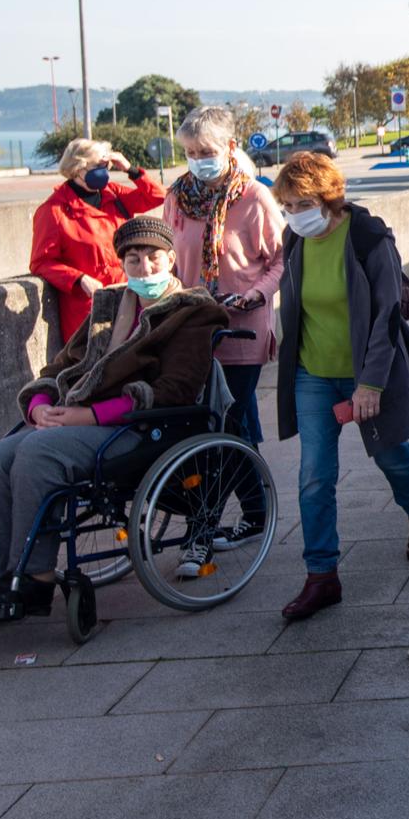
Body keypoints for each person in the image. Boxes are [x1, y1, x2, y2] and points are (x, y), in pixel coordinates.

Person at [0, 216, 228, 620]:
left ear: (171, 259)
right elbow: (60, 366)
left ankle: (35, 578)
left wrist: (90, 415)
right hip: (78, 416)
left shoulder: (192, 312)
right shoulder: (109, 306)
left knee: (39, 455)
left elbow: (176, 389)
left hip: (140, 427)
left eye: (153, 258)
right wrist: (39, 404)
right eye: (133, 259)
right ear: (123, 265)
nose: (144, 268)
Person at [270, 152, 409, 619]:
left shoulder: (368, 237)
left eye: (303, 202)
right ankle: (322, 576)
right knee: (314, 476)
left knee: (391, 455)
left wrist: (370, 384)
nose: (294, 214)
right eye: (287, 205)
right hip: (312, 373)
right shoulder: (294, 238)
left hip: (366, 372)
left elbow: (388, 314)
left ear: (329, 196)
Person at [163, 105, 283, 573]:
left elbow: (280, 259)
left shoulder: (254, 198)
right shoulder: (177, 199)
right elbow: (172, 260)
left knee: (224, 424)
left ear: (230, 148)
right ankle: (256, 512)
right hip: (195, 328)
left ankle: (204, 527)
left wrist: (256, 294)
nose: (198, 160)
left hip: (242, 329)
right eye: (190, 152)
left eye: (207, 151)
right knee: (229, 428)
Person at [28, 138, 166, 342]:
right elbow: (41, 262)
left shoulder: (113, 193)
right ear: (77, 169)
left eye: (106, 166)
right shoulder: (54, 211)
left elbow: (158, 196)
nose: (104, 171)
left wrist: (131, 170)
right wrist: (77, 279)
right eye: (97, 166)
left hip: (127, 299)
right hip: (87, 308)